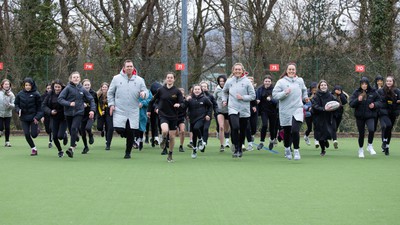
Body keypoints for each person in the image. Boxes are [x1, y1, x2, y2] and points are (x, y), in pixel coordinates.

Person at [108, 60, 148, 159]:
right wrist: (111, 104)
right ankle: (129, 138)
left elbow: (145, 91)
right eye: (127, 66)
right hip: (120, 109)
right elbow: (110, 93)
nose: (129, 68)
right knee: (119, 129)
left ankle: (128, 152)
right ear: (124, 68)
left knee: (130, 132)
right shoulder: (116, 78)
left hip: (133, 110)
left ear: (133, 68)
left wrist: (143, 94)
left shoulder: (139, 80)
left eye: (131, 66)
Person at [272, 63, 308, 160]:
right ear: (286, 71)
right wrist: (284, 93)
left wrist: (305, 97)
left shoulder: (300, 81)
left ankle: (296, 150)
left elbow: (304, 90)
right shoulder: (281, 82)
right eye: (290, 69)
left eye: (293, 69)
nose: (291, 71)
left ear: (295, 71)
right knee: (287, 132)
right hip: (285, 110)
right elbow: (274, 95)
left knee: (295, 130)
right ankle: (287, 148)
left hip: (298, 108)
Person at [147, 72, 184, 162]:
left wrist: (179, 104)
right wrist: (149, 110)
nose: (169, 79)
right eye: (168, 77)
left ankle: (170, 154)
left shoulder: (177, 91)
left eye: (171, 77)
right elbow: (152, 101)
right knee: (164, 130)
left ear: (174, 79)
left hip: (173, 116)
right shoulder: (161, 90)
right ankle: (163, 139)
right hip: (163, 114)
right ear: (166, 79)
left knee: (172, 137)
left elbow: (183, 103)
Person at [222, 63, 256, 158]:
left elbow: (253, 96)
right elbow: (224, 92)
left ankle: (240, 148)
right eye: (236, 69)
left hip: (244, 109)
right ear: (233, 71)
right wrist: (224, 100)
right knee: (235, 127)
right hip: (232, 107)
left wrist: (243, 97)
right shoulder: (229, 81)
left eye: (239, 69)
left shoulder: (247, 82)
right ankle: (236, 147)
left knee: (242, 130)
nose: (237, 71)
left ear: (242, 71)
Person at [58, 72, 96, 158]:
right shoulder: (67, 88)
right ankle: (74, 141)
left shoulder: (82, 89)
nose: (76, 79)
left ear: (79, 79)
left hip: (79, 112)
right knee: (72, 130)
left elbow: (91, 100)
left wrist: (92, 110)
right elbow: (60, 99)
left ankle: (71, 148)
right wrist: (69, 103)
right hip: (68, 113)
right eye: (74, 77)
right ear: (71, 79)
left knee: (74, 128)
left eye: (77, 77)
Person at [349, 77, 381, 158]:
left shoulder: (373, 92)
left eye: (365, 84)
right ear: (360, 85)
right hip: (359, 116)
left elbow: (380, 102)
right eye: (362, 84)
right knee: (361, 134)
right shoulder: (356, 92)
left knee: (371, 129)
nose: (364, 85)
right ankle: (360, 149)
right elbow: (351, 104)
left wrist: (374, 105)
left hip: (370, 115)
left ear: (368, 84)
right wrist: (358, 100)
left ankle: (370, 145)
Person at [15, 77, 43, 156]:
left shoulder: (36, 94)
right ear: (24, 85)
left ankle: (37, 129)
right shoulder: (20, 94)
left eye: (29, 85)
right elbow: (16, 104)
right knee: (27, 134)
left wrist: (37, 117)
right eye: (26, 85)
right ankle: (33, 148)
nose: (27, 87)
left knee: (34, 135)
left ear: (32, 85)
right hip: (24, 117)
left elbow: (40, 108)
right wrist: (18, 110)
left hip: (33, 118)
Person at [311, 80, 338, 156]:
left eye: (325, 85)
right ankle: (323, 150)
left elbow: (336, 104)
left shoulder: (331, 96)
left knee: (328, 132)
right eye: (322, 85)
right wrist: (323, 109)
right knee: (320, 135)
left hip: (328, 117)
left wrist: (333, 108)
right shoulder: (316, 96)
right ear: (319, 87)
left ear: (327, 86)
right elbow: (315, 106)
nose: (323, 86)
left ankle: (326, 140)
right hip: (318, 117)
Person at [42, 79, 68, 157]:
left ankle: (64, 134)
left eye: (59, 87)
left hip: (64, 118)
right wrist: (50, 111)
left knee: (60, 136)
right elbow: (44, 106)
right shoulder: (50, 94)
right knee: (55, 137)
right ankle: (60, 150)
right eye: (55, 87)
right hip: (54, 118)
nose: (57, 89)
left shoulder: (66, 93)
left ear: (61, 87)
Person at [186, 84, 212, 159]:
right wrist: (187, 114)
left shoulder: (205, 98)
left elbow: (210, 106)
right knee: (194, 135)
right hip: (192, 119)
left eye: (198, 89)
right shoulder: (190, 99)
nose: (197, 90)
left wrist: (208, 115)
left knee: (196, 128)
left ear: (201, 90)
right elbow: (186, 107)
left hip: (202, 118)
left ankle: (200, 140)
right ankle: (194, 149)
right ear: (193, 91)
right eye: (195, 89)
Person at [377, 76, 400, 155]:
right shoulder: (381, 91)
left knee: (389, 129)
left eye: (390, 81)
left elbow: (398, 102)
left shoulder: (397, 91)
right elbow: (380, 101)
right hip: (384, 112)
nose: (388, 82)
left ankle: (387, 146)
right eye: (387, 81)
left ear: (393, 82)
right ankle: (384, 141)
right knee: (387, 125)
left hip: (393, 113)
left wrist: (397, 105)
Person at [256, 75, 278, 150]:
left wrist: (271, 99)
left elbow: (277, 101)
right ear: (263, 81)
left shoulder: (274, 89)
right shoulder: (259, 89)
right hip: (263, 111)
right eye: (266, 81)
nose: (267, 83)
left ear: (271, 82)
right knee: (264, 125)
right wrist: (257, 101)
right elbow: (256, 98)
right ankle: (261, 142)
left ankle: (272, 140)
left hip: (273, 111)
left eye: (269, 81)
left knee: (272, 127)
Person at [79, 79, 98, 154]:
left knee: (88, 128)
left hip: (91, 114)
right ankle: (85, 146)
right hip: (82, 114)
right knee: (82, 131)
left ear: (90, 85)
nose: (87, 86)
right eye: (85, 85)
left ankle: (90, 135)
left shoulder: (93, 93)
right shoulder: (79, 93)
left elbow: (95, 103)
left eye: (88, 85)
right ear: (82, 86)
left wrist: (92, 110)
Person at [199, 81, 218, 152]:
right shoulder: (196, 95)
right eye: (202, 86)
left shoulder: (210, 96)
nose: (203, 88)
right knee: (200, 129)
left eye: (205, 86)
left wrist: (216, 111)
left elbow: (214, 105)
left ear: (207, 88)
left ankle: (204, 142)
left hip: (207, 116)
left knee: (205, 128)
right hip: (199, 116)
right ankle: (200, 141)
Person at [214, 75, 230, 152]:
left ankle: (227, 139)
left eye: (223, 81)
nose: (222, 83)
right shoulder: (217, 89)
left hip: (229, 111)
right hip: (220, 111)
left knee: (227, 129)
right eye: (220, 81)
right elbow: (213, 99)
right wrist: (216, 107)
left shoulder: (229, 89)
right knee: (221, 127)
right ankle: (222, 145)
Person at [97, 82, 114, 150]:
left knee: (110, 127)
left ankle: (108, 143)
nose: (104, 88)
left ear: (108, 88)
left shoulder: (111, 95)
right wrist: (101, 111)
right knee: (99, 127)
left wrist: (106, 109)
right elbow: (97, 105)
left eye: (106, 87)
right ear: (101, 88)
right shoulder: (98, 95)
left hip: (108, 113)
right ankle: (102, 130)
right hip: (101, 113)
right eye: (103, 87)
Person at [0, 79, 15, 147]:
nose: (6, 85)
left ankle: (7, 141)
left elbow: (14, 104)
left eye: (8, 84)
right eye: (5, 84)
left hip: (8, 114)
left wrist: (10, 105)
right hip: (0, 113)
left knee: (7, 127)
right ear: (2, 85)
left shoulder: (11, 94)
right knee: (1, 127)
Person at [244, 76, 258, 151]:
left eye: (251, 81)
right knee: (247, 127)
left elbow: (254, 99)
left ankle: (252, 134)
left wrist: (254, 105)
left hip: (253, 111)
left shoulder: (255, 90)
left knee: (253, 127)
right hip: (245, 110)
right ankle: (250, 144)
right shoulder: (243, 90)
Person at [304, 82, 317, 147]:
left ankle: (316, 139)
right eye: (313, 89)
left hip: (315, 113)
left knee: (316, 126)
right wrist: (308, 108)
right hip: (308, 113)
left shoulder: (318, 94)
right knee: (309, 128)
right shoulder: (306, 94)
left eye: (316, 89)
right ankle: (306, 136)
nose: (314, 90)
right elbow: (303, 104)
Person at [41, 83, 53, 148]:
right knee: (47, 130)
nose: (49, 89)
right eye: (48, 88)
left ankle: (50, 141)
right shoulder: (43, 96)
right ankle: (51, 135)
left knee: (51, 128)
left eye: (50, 88)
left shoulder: (55, 95)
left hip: (53, 114)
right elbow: (42, 107)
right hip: (46, 115)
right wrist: (42, 116)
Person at [176, 88, 187, 152]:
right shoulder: (173, 100)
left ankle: (181, 145)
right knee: (175, 133)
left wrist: (187, 115)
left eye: (182, 94)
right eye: (180, 94)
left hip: (181, 118)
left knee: (182, 131)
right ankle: (167, 143)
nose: (181, 95)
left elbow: (186, 109)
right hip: (173, 118)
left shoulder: (185, 101)